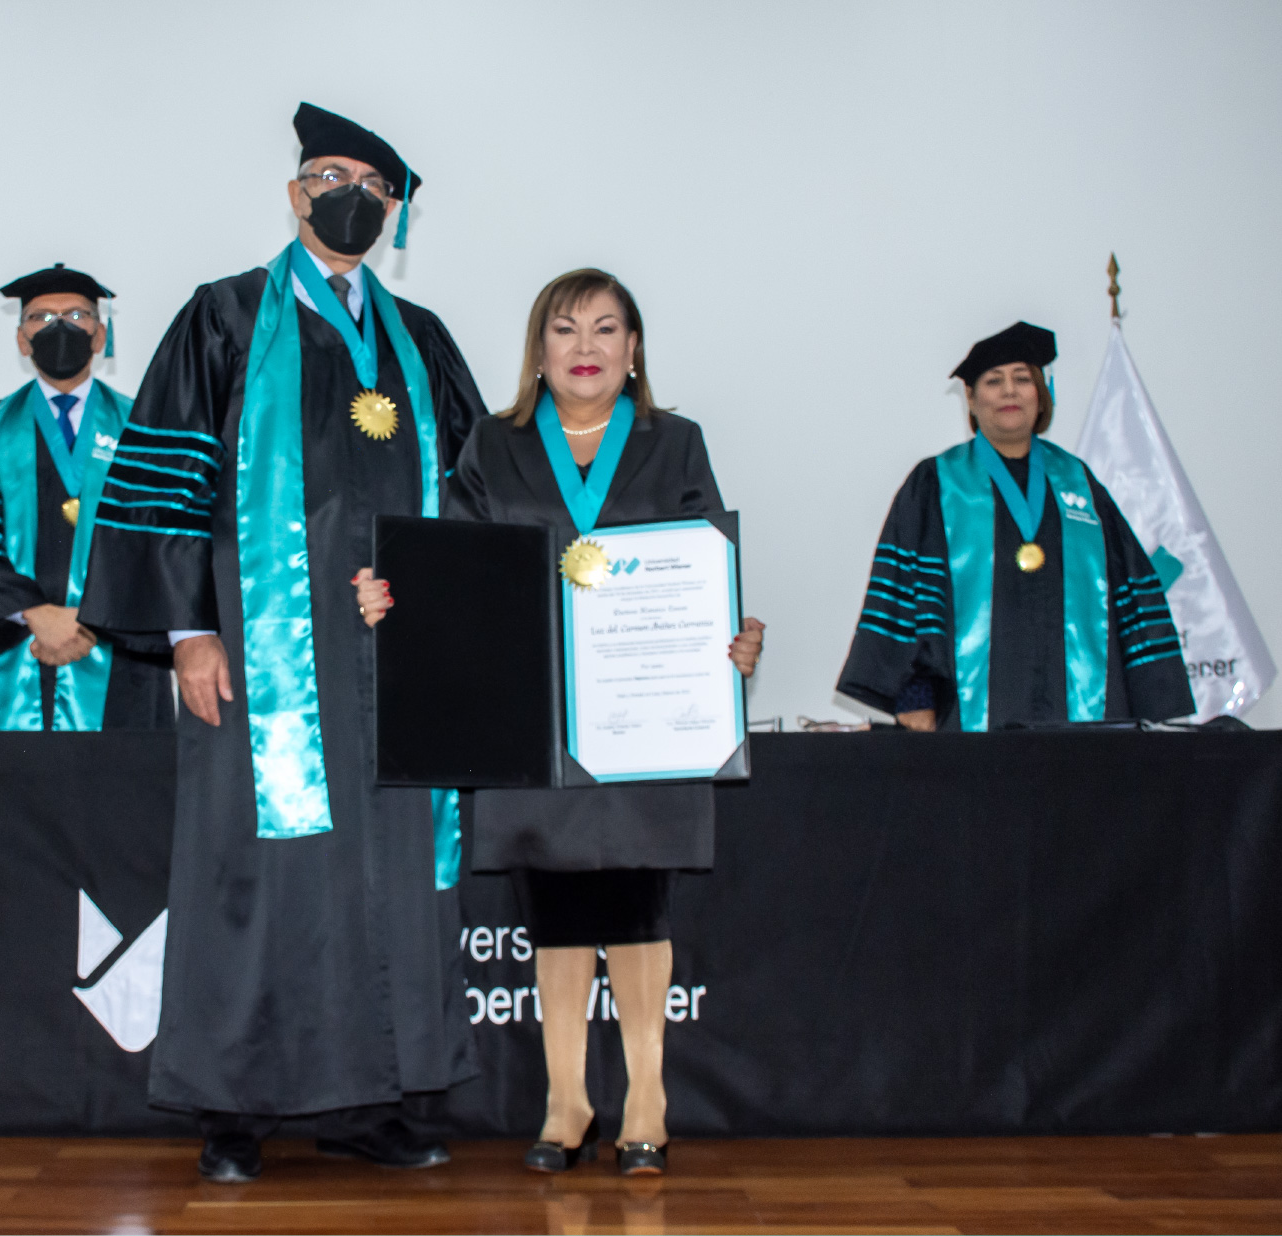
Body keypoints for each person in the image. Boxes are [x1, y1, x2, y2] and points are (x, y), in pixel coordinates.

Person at [78, 103, 486, 1182]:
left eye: (370, 181)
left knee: (392, 879)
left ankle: (372, 1102)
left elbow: (479, 504)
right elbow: (166, 482)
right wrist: (189, 633)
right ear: (296, 193)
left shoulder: (424, 342)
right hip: (259, 666)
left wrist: (444, 609)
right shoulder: (223, 319)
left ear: (391, 211)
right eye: (328, 173)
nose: (348, 192)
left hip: (398, 667)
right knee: (251, 877)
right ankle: (235, 1109)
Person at [359, 269, 763, 1176]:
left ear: (634, 350)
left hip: (645, 715)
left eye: (607, 329)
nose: (586, 347)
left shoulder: (675, 443)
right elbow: (455, 570)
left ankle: (646, 1100)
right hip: (528, 718)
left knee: (633, 902)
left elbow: (704, 568)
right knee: (553, 907)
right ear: (537, 351)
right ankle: (566, 1101)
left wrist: (732, 637)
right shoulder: (490, 446)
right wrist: (395, 597)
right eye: (565, 329)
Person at [836, 321, 1193, 730]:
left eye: (1022, 379)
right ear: (970, 398)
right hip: (965, 718)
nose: (1009, 391)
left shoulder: (1079, 483)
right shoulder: (938, 483)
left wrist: (1154, 698)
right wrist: (914, 698)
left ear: (1040, 396)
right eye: (993, 381)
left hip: (1080, 716)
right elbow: (905, 596)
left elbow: (1133, 596)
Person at [0, 264, 174, 731]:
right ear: (22, 340)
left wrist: (91, 620)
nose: (60, 328)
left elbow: (161, 537)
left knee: (124, 795)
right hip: (13, 640)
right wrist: (36, 614)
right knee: (7, 798)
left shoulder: (144, 428)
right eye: (41, 319)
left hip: (119, 651)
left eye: (77, 316)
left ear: (100, 335)